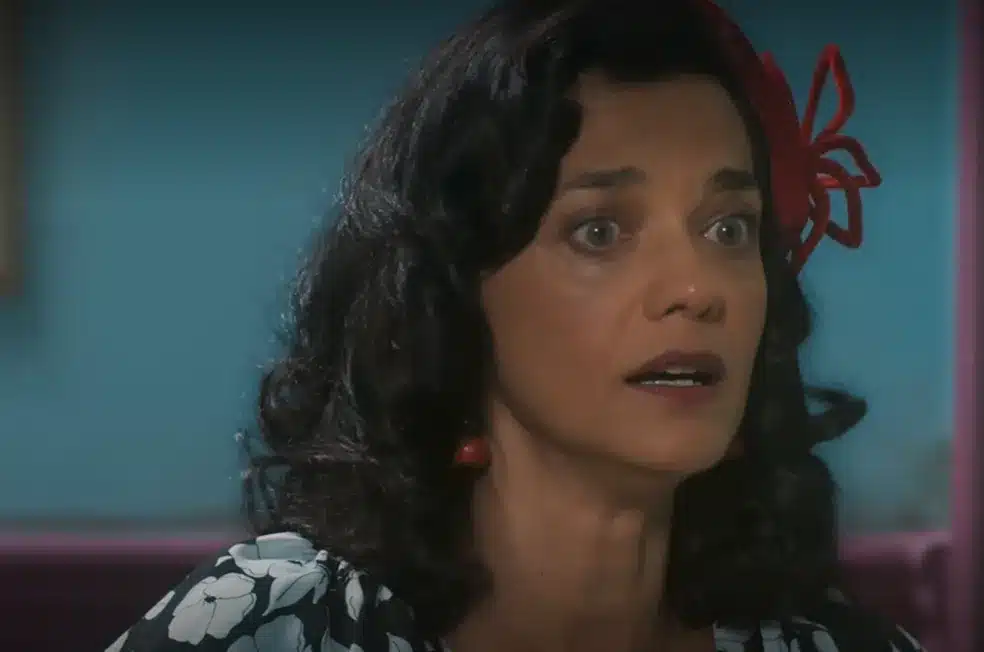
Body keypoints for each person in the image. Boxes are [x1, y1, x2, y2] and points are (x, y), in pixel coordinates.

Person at [108, 0, 922, 650]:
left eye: (727, 228)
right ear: (456, 288)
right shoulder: (280, 628)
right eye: (600, 231)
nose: (696, 288)